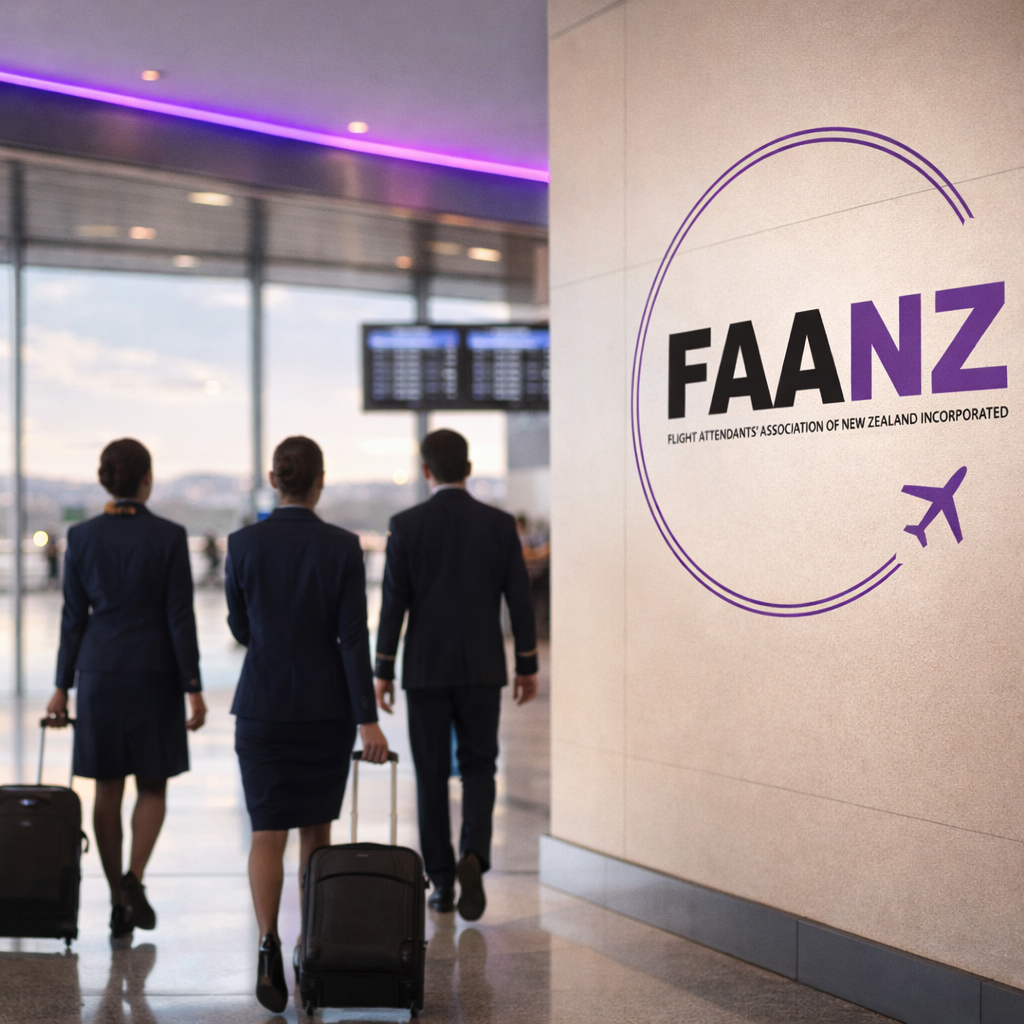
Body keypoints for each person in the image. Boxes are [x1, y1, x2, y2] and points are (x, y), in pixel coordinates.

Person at [225, 435, 390, 1013]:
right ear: (320, 480)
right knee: (316, 834)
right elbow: (353, 638)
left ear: (275, 480)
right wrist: (367, 721)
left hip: (262, 705)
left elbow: (239, 626)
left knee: (265, 833)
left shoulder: (242, 544)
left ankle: (267, 943)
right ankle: (310, 945)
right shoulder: (343, 547)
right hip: (325, 710)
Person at [45, 438, 207, 940]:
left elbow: (73, 618)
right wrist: (193, 686)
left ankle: (118, 896)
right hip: (155, 673)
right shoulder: (169, 536)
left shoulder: (82, 537)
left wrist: (61, 686)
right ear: (147, 479)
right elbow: (180, 617)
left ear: (106, 480)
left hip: (100, 674)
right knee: (153, 784)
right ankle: (135, 877)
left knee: (106, 787)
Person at [374, 429, 538, 922]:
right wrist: (527, 663)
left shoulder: (406, 525)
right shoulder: (499, 524)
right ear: (468, 469)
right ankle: (475, 853)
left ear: (426, 471)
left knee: (429, 774)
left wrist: (383, 669)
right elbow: (519, 599)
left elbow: (393, 604)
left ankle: (442, 882)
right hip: (482, 667)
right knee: (479, 766)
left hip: (425, 669)